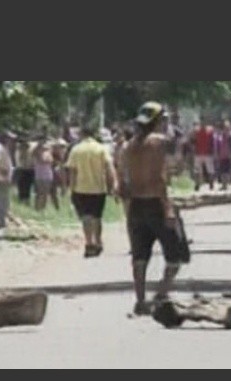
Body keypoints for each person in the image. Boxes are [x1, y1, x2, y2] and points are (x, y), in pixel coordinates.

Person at [120, 102, 189, 316]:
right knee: (176, 256)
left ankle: (140, 300)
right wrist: (167, 208)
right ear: (158, 121)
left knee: (139, 257)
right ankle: (161, 293)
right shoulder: (159, 143)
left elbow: (123, 183)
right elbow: (163, 177)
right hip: (156, 203)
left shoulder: (127, 146)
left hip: (136, 205)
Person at [66, 125, 117, 258]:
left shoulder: (76, 150)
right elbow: (109, 167)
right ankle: (98, 241)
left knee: (86, 217)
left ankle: (89, 242)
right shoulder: (101, 149)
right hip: (98, 188)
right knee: (97, 217)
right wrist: (112, 185)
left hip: (81, 188)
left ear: (82, 134)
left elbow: (72, 171)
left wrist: (71, 188)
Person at [0, 131, 16, 231]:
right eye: (9, 139)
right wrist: (0, 171)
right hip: (0, 178)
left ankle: (1, 223)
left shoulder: (4, 148)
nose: (11, 141)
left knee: (5, 202)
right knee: (1, 202)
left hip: (4, 179)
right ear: (4, 138)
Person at [33, 138, 58, 211]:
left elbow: (50, 161)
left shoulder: (48, 153)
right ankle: (37, 208)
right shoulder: (36, 153)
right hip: (39, 175)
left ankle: (42, 208)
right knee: (39, 193)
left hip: (47, 175)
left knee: (45, 193)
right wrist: (39, 149)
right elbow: (41, 160)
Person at [193, 122, 215, 191]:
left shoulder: (197, 130)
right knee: (208, 170)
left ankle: (199, 184)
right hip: (203, 153)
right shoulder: (209, 130)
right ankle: (205, 184)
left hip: (202, 153)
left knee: (199, 170)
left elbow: (193, 140)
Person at [14, 138, 35, 204]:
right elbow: (20, 159)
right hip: (21, 169)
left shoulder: (30, 149)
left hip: (29, 170)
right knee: (21, 186)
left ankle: (27, 200)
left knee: (28, 186)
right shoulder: (19, 150)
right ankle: (22, 200)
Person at [214, 121, 231, 191]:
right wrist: (216, 154)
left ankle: (226, 184)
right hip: (222, 156)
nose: (226, 130)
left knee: (228, 171)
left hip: (229, 156)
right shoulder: (220, 137)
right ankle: (224, 184)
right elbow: (217, 147)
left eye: (228, 128)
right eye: (225, 128)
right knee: (222, 171)